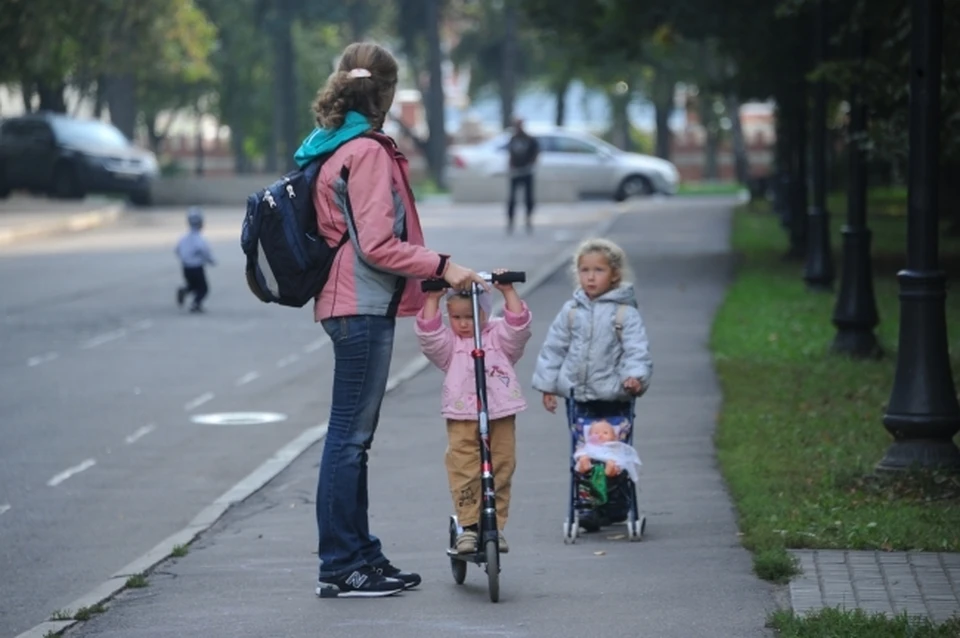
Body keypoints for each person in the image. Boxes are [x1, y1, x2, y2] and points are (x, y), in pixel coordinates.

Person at [297, 41, 486, 599]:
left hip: (347, 303)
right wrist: (444, 266)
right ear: (386, 93)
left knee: (351, 439)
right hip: (360, 305)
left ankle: (360, 556)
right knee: (349, 441)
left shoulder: (330, 146)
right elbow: (378, 244)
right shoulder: (368, 152)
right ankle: (341, 565)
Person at [414, 271, 532, 555]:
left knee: (501, 467)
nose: (464, 324)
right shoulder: (450, 345)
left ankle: (495, 525)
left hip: (500, 412)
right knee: (464, 468)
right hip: (462, 416)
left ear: (485, 315)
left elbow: (519, 328)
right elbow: (429, 335)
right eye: (456, 318)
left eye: (471, 317)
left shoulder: (498, 337)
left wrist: (507, 291)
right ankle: (468, 526)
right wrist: (433, 297)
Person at [532, 237, 653, 413]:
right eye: (584, 270)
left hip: (615, 397)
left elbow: (636, 350)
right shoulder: (571, 311)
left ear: (615, 274)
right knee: (583, 440)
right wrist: (547, 386)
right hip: (577, 398)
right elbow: (554, 349)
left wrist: (635, 377)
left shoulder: (624, 313)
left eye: (599, 270)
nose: (590, 277)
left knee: (612, 440)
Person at [174, 207, 215, 313]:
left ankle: (184, 290)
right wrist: (211, 260)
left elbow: (177, 250)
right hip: (197, 267)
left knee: (192, 285)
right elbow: (204, 251)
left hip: (186, 267)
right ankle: (195, 304)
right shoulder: (200, 238)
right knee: (203, 288)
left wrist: (185, 258)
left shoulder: (183, 238)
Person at [505, 118, 540, 234]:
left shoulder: (530, 139)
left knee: (528, 197)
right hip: (516, 172)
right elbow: (510, 154)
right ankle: (510, 221)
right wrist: (511, 166)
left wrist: (530, 165)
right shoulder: (513, 139)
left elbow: (536, 153)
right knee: (512, 198)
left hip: (527, 172)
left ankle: (528, 219)